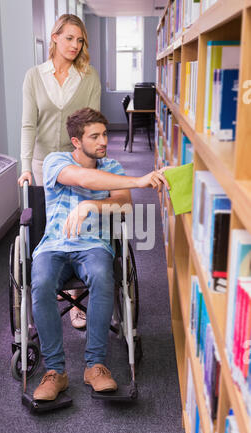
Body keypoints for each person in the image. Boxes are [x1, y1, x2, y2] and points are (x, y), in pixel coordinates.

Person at [31, 107, 170, 401]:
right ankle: (55, 371)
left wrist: (91, 206)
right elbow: (84, 179)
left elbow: (124, 204)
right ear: (76, 141)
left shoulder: (114, 167)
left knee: (102, 276)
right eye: (94, 136)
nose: (103, 141)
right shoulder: (56, 161)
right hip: (54, 245)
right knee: (41, 284)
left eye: (105, 134)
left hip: (93, 245)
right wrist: (139, 180)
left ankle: (95, 366)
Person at [18, 14, 101, 329]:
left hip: (77, 163)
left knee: (77, 227)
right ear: (54, 37)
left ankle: (78, 302)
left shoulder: (89, 76)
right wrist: (26, 166)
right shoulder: (34, 77)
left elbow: (93, 122)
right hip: (42, 162)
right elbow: (28, 123)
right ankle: (53, 287)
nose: (74, 45)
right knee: (47, 228)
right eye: (69, 38)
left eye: (79, 40)